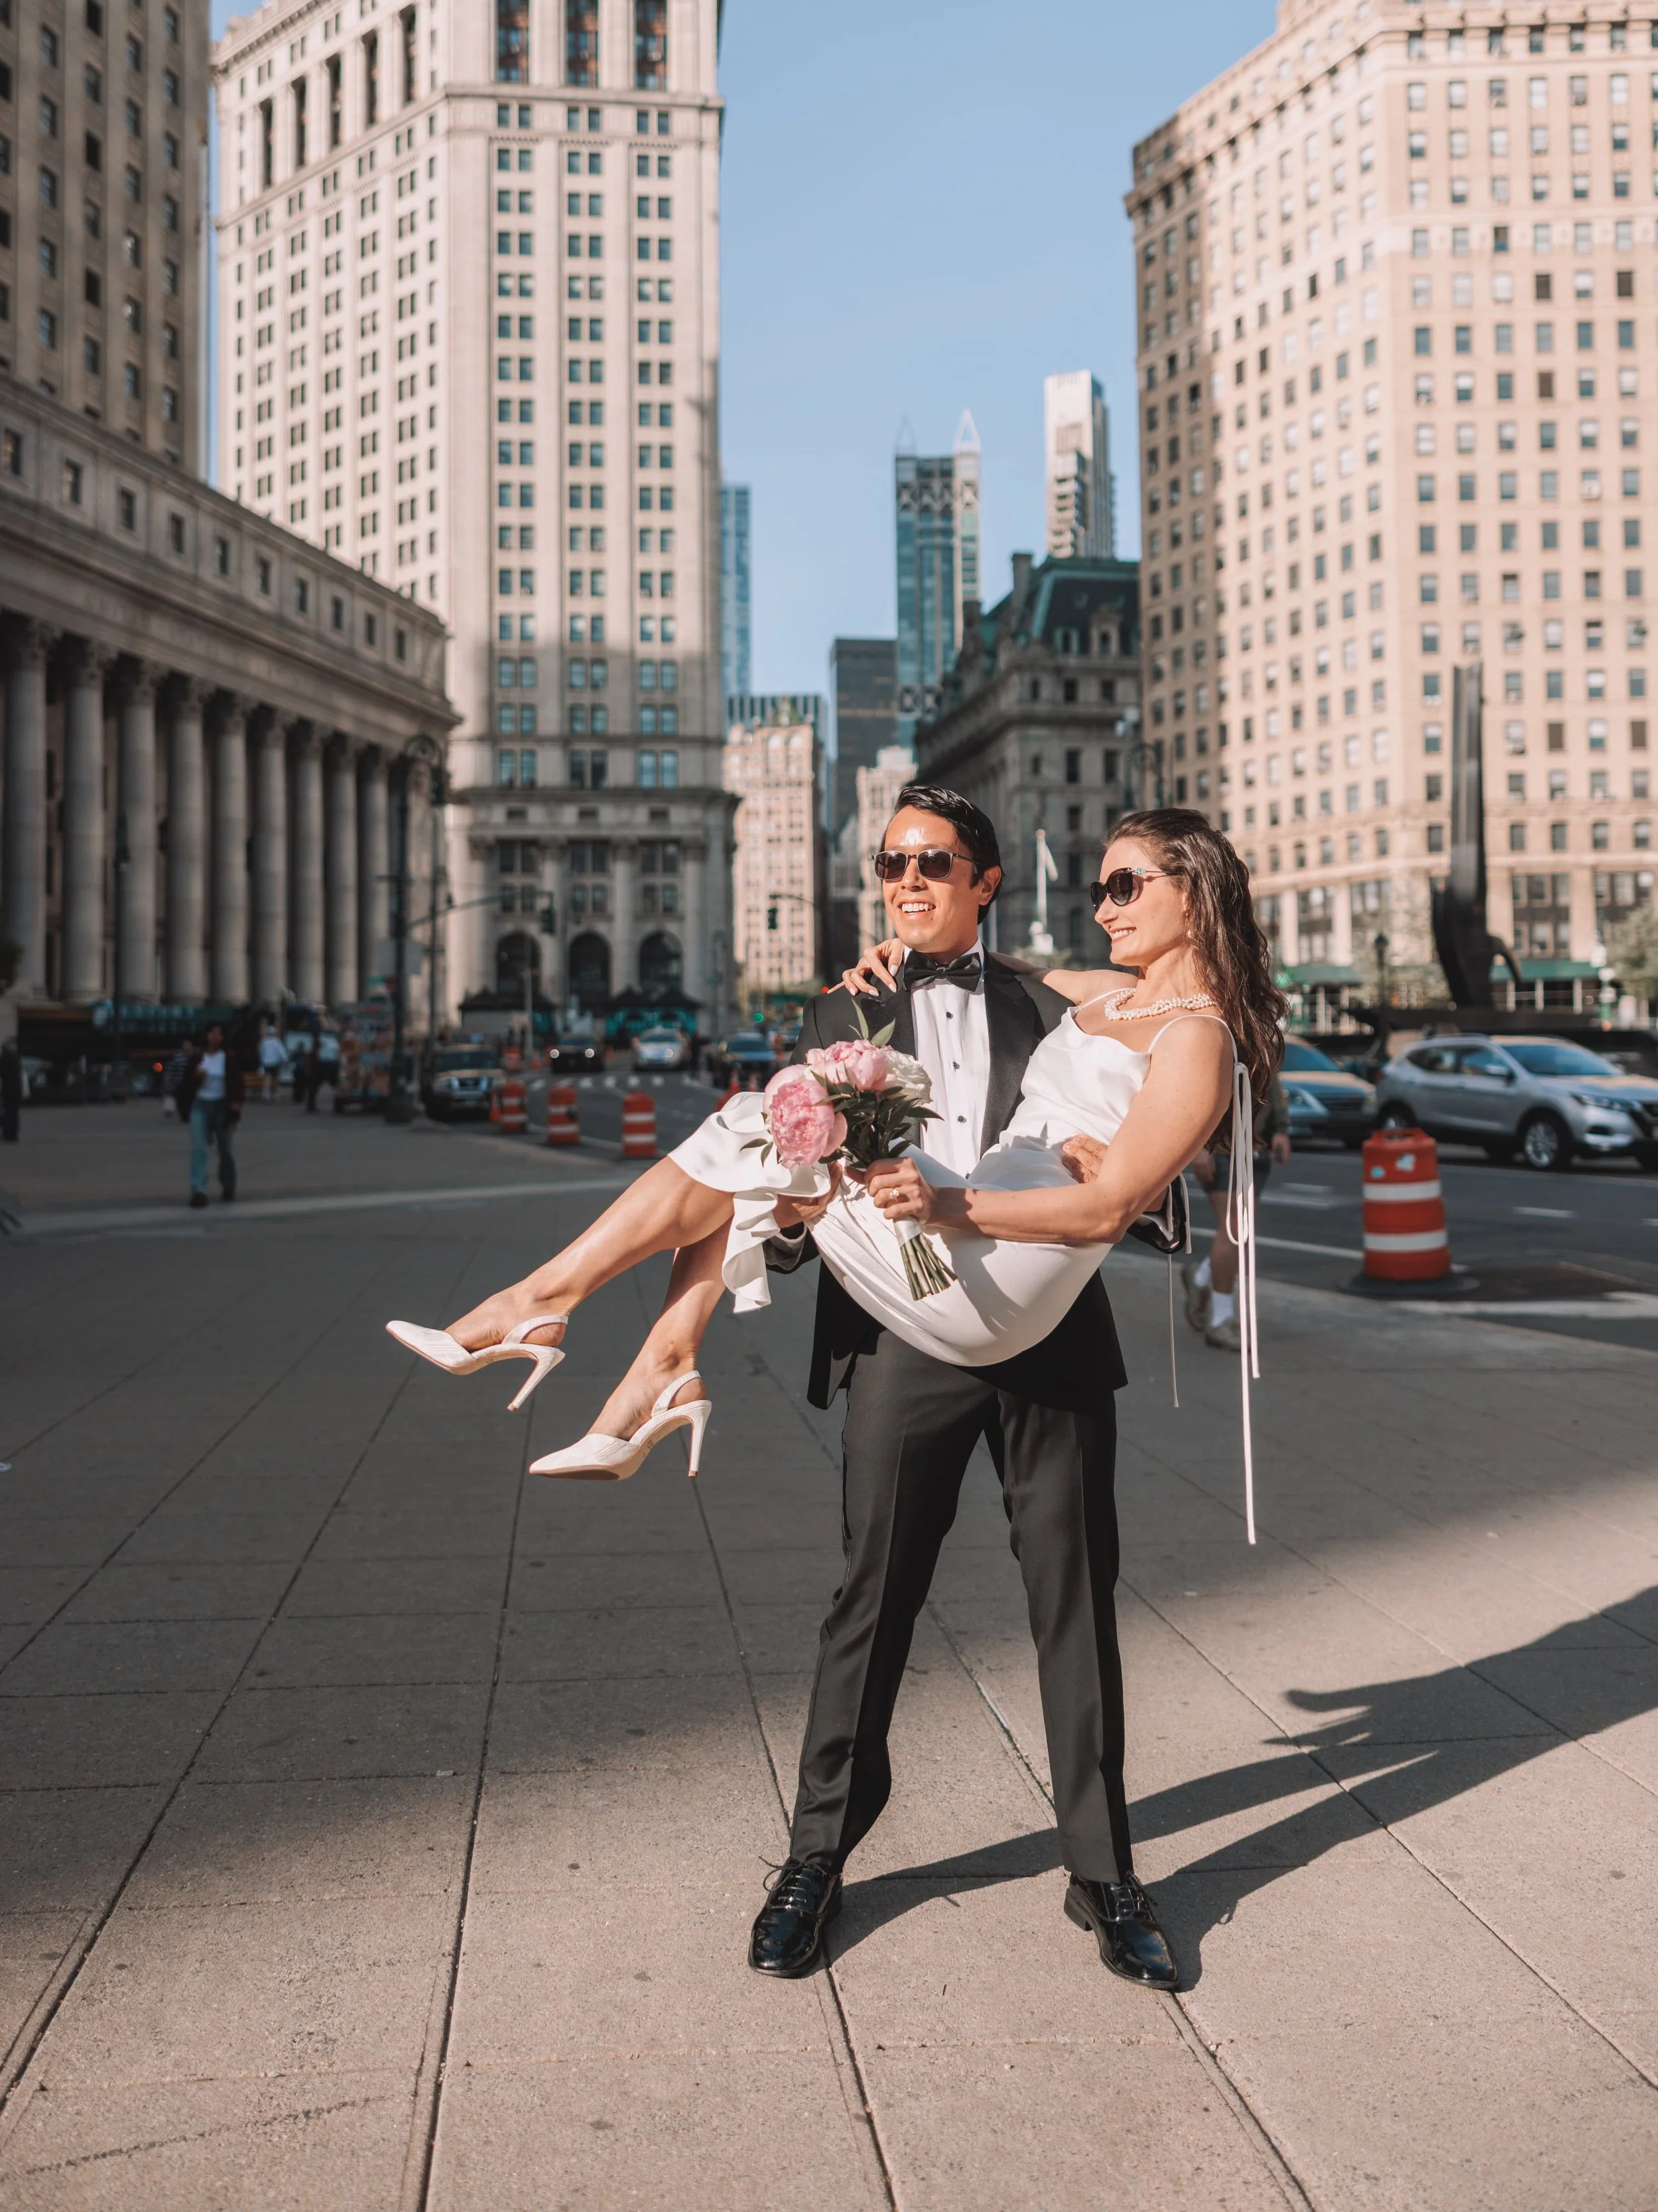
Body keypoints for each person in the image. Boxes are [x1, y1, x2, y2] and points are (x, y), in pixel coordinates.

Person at [389, 796, 1282, 1993]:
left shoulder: (1058, 996)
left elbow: (1144, 1173)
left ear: (988, 878)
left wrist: (1053, 1184)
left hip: (1046, 1323)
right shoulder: (849, 1004)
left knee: (1075, 1604)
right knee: (872, 1599)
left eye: (933, 862)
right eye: (892, 862)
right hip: (906, 1327)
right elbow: (819, 1207)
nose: (907, 879)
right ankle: (817, 1856)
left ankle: (1105, 1871)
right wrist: (841, 1202)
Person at [1182, 1072, 1291, 1349]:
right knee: (1234, 1230)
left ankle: (1201, 1278)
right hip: (1222, 1145)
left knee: (1242, 1234)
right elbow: (1195, 1085)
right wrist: (1201, 1146)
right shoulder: (1213, 1027)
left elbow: (1270, 1079)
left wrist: (1280, 1128)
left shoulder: (1260, 1031)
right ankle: (1220, 1319)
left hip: (1255, 1144)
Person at [176, 1022, 244, 1206]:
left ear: (223, 1038)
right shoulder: (198, 1059)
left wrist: (236, 1104)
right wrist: (196, 1078)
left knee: (226, 1150)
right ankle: (198, 1190)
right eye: (211, 1034)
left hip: (222, 1106)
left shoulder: (228, 1058)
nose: (215, 1037)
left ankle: (228, 1186)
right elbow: (185, 1087)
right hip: (201, 1105)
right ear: (206, 1036)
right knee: (200, 1149)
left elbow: (238, 1083)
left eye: (218, 1034)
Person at [257, 1023, 287, 1103]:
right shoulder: (277, 1042)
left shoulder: (264, 1042)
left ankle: (266, 1094)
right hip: (275, 1063)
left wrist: (262, 1061)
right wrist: (285, 1060)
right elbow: (282, 1052)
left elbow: (260, 1052)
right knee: (275, 1078)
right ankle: (275, 1093)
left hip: (266, 1062)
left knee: (267, 1078)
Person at [0, 1038, 21, 1144]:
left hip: (8, 1091)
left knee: (8, 1113)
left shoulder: (5, 1059)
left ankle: (8, 1134)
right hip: (16, 1091)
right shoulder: (15, 1059)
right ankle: (13, 1135)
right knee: (13, 1114)